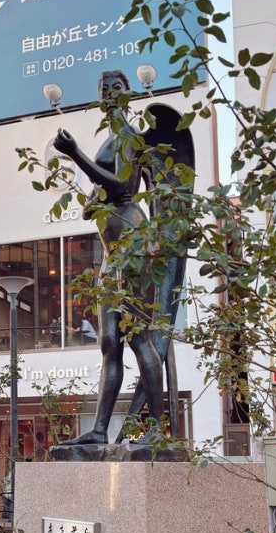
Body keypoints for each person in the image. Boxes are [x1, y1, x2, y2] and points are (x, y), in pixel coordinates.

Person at [52, 70, 194, 451]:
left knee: (141, 339)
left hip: (134, 247)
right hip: (112, 254)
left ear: (128, 94)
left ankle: (156, 431)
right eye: (104, 90)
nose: (110, 95)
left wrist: (75, 155)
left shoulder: (131, 136)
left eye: (116, 88)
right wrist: (91, 201)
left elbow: (122, 186)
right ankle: (99, 430)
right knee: (109, 342)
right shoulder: (111, 139)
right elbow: (104, 191)